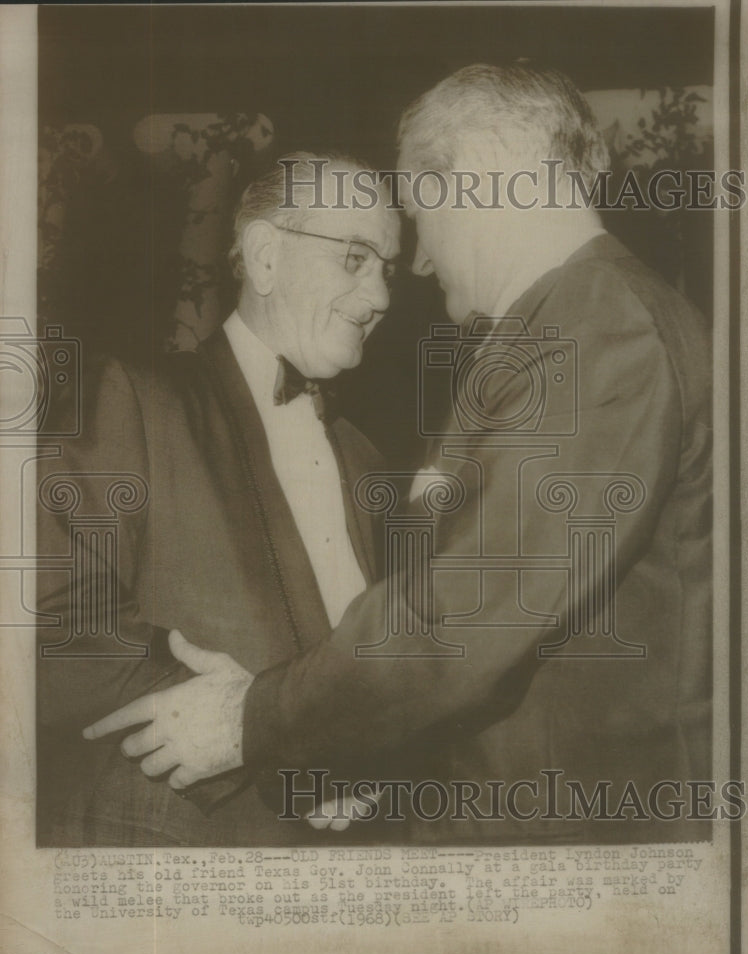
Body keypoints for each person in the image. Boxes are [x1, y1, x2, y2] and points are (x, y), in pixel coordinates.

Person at [88, 63, 712, 844]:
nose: (414, 268)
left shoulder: (597, 329)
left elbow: (463, 617)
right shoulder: (585, 321)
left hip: (564, 839)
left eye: (420, 219)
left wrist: (253, 720)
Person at [36, 152, 400, 846]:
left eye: (387, 265)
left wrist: (367, 750)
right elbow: (47, 623)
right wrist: (262, 737)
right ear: (264, 256)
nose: (380, 295)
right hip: (168, 842)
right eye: (355, 258)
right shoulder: (132, 398)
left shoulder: (366, 460)